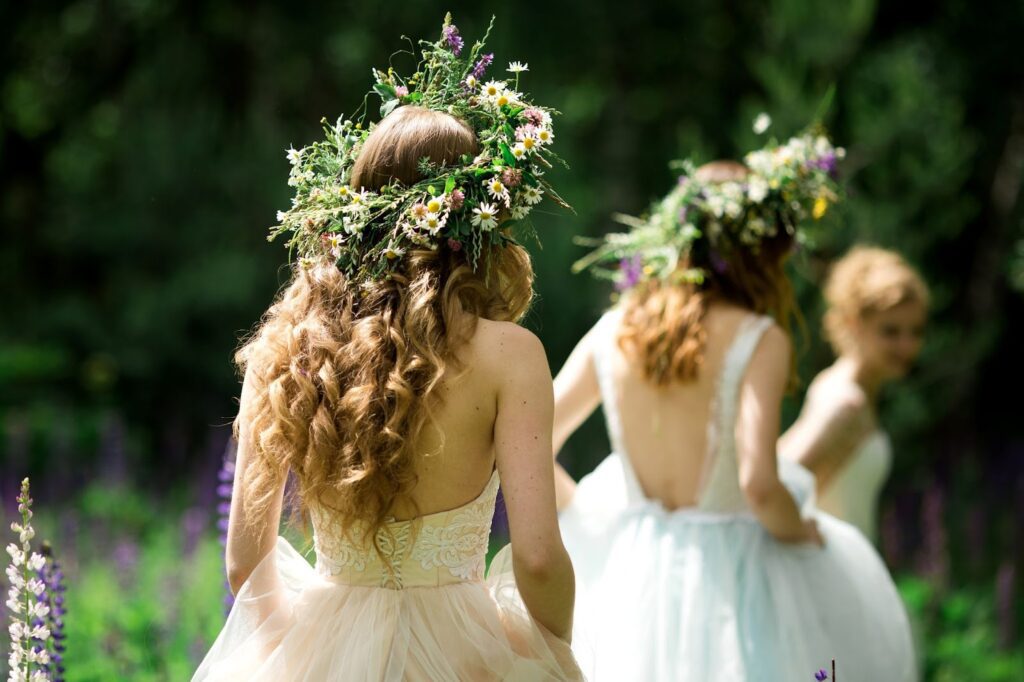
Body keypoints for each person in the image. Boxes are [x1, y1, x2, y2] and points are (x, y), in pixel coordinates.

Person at [193, 18, 581, 681]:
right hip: (468, 656)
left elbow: (243, 563)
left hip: (323, 648)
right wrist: (551, 656)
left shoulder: (284, 348)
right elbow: (538, 557)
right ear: (480, 215)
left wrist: (307, 650)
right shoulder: (510, 356)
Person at [553, 129, 917, 680]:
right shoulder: (757, 337)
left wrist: (586, 514)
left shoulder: (616, 327)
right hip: (735, 579)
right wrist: (804, 535)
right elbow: (759, 485)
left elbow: (532, 440)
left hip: (633, 579)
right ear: (758, 250)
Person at [780, 246, 929, 542]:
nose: (906, 345)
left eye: (915, 331)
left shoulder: (852, 391)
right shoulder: (844, 400)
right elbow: (778, 476)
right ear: (853, 324)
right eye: (890, 331)